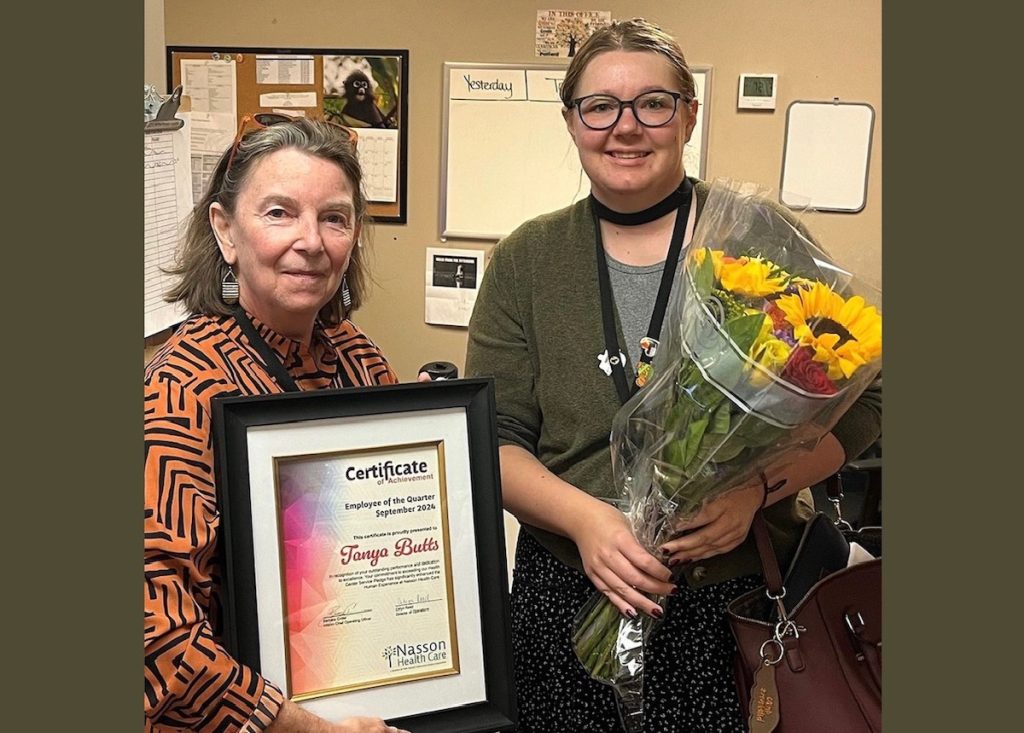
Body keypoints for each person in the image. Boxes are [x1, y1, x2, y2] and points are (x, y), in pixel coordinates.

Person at [464, 18, 882, 732]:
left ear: (689, 114)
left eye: (653, 103)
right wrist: (588, 522)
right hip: (568, 598)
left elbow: (867, 398)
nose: (625, 127)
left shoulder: (759, 238)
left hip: (737, 604)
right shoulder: (526, 260)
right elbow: (493, 440)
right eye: (600, 106)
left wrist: (755, 488)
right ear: (571, 122)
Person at [144, 117, 411, 733]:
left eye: (335, 218)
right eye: (279, 213)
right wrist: (302, 727)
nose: (311, 241)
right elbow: (152, 634)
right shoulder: (182, 387)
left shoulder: (360, 357)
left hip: (362, 694)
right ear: (225, 231)